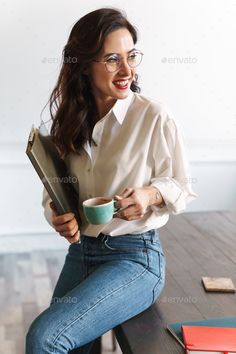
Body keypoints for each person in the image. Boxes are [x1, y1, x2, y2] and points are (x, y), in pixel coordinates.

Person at [26, 7, 197, 354]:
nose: (127, 70)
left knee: (45, 338)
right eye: (112, 59)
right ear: (84, 65)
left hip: (135, 258)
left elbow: (181, 186)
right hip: (82, 252)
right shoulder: (70, 120)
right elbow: (55, 190)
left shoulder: (154, 117)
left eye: (131, 56)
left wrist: (150, 195)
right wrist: (57, 216)